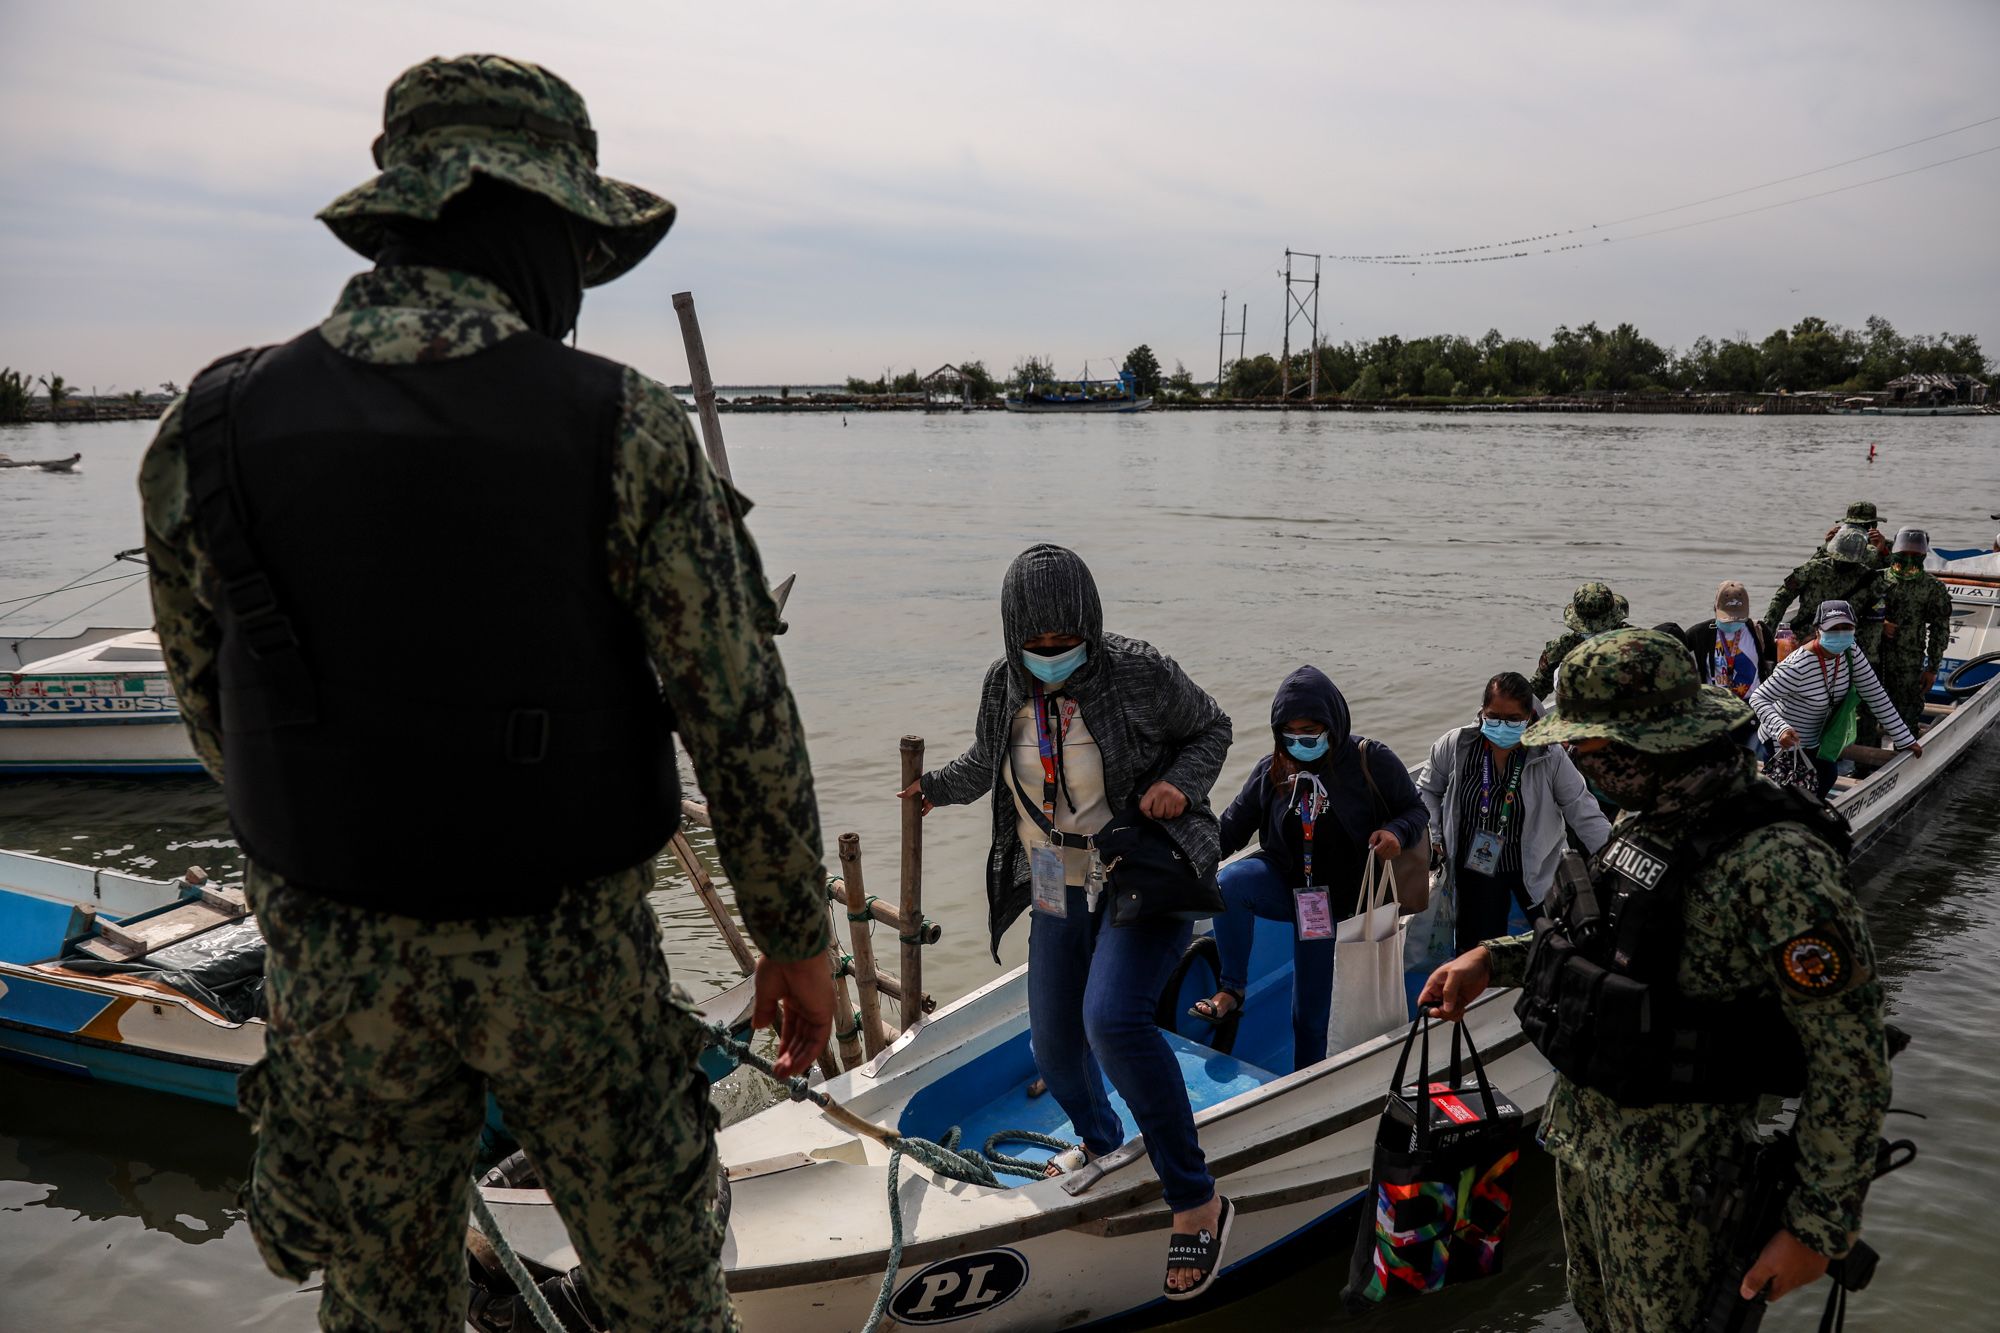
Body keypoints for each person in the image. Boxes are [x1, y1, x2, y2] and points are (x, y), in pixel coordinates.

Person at [139, 56, 835, 1333]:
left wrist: (334, 851)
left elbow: (215, 709)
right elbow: (735, 709)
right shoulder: (617, 422)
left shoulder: (210, 427)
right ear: (523, 225)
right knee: (662, 1300)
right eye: (572, 239)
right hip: (570, 965)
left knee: (382, 1299)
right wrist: (795, 937)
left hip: (336, 973)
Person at [1420, 629, 1891, 1333]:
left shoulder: (1775, 862)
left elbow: (1850, 1058)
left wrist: (1817, 1226)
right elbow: (1600, 937)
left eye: (1591, 745)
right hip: (1584, 1146)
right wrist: (1494, 957)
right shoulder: (1649, 817)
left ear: (1654, 743)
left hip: (1681, 1187)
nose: (1576, 757)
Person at [904, 543, 1235, 1299]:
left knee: (1111, 1020)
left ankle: (1196, 1197)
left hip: (1144, 872)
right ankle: (1100, 1141)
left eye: (1066, 643)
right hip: (1059, 880)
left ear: (1091, 624)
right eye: (1037, 645)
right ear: (1012, 636)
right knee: (1055, 1046)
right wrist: (928, 790)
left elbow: (1210, 728)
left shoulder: (1140, 670)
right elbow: (987, 762)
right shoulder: (1004, 685)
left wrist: (1180, 788)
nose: (1052, 656)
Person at [1190, 666, 1427, 1071]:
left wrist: (1394, 833)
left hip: (1338, 900)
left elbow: (1415, 810)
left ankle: (1307, 1077)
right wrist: (1179, 857)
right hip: (1289, 885)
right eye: (1290, 732)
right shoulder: (1273, 769)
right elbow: (1228, 831)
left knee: (1309, 1013)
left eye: (1311, 730)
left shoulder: (1372, 759)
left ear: (1333, 724)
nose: (1300, 741)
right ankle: (1232, 990)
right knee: (1229, 882)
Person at [1418, 671, 1610, 951]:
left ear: (1529, 717)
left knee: (1557, 944)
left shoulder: (1550, 756)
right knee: (1479, 950)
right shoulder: (1456, 745)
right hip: (1476, 867)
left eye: (1512, 720)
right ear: (1482, 712)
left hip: (1536, 867)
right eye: (1493, 716)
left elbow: (1583, 811)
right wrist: (1434, 836)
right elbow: (1427, 790)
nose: (1501, 726)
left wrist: (1612, 860)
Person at [1749, 600, 1921, 797]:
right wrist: (1782, 729)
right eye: (1833, 628)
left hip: (1819, 739)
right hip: (1785, 743)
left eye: (1846, 627)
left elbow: (1875, 694)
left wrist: (1904, 738)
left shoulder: (1851, 652)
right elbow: (1759, 698)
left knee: (1826, 777)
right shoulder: (1797, 666)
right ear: (1818, 630)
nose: (1840, 633)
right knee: (1792, 796)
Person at [1863, 528, 1954, 735]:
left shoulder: (1932, 588)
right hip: (1871, 659)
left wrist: (1932, 668)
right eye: (1904, 554)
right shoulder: (1875, 580)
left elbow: (1940, 630)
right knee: (1866, 715)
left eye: (1915, 554)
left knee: (1907, 715)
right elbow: (1855, 614)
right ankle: (1862, 766)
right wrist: (1880, 622)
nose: (1909, 559)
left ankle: (1904, 757)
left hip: (1908, 662)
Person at [1765, 526, 1882, 635]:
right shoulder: (1813, 569)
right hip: (1804, 636)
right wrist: (1767, 630)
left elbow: (1873, 624)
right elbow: (1782, 598)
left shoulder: (1869, 579)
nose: (1843, 563)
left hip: (1844, 640)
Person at [1531, 581, 1632, 696]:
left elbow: (1533, 694)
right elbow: (1535, 691)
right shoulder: (1633, 639)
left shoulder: (1562, 648)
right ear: (1613, 613)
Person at [1682, 580, 1778, 699]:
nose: (1732, 622)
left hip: (1753, 704)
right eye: (1726, 618)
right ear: (1715, 608)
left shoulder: (1759, 630)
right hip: (1716, 704)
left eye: (1738, 618)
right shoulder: (1699, 634)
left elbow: (1776, 663)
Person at [1821, 499, 1890, 568]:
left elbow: (1891, 573)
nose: (1856, 530)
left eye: (1864, 526)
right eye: (1852, 525)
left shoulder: (1886, 546)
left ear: (1873, 526)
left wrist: (1879, 551)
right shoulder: (1839, 543)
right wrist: (1828, 546)